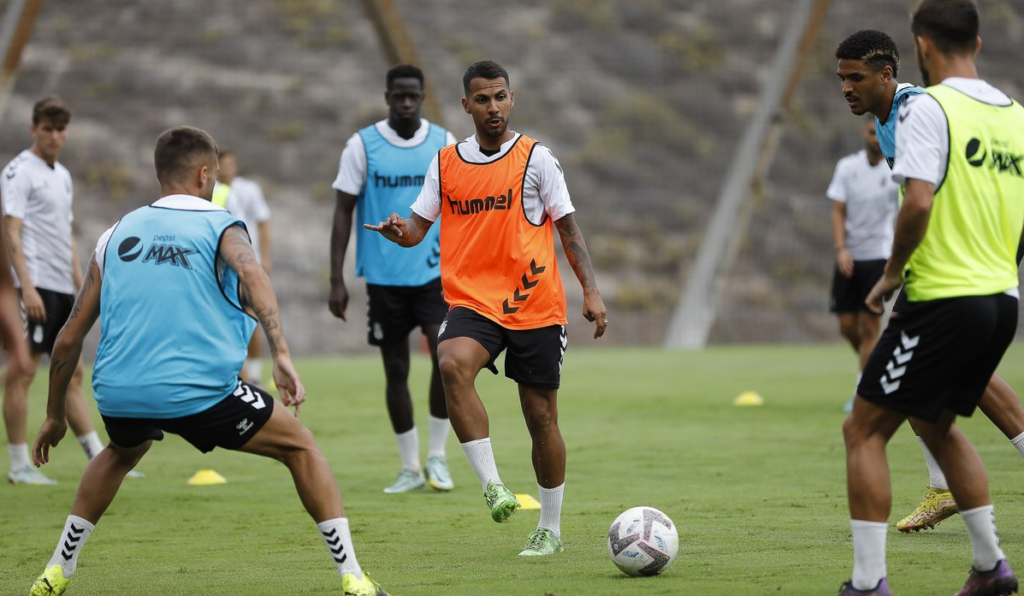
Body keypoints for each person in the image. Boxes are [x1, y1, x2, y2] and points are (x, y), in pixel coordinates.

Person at [27, 126, 387, 596]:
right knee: (300, 446)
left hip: (120, 393)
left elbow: (68, 337)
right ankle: (353, 577)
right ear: (203, 175)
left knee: (122, 451)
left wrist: (55, 415)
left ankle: (57, 569)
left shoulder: (114, 233)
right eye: (215, 176)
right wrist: (280, 352)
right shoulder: (220, 223)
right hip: (199, 393)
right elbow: (254, 273)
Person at [365, 60, 608, 557]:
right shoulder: (445, 162)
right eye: (483, 99)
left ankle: (550, 528)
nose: (493, 107)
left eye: (500, 97)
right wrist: (399, 232)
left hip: (535, 303)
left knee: (540, 417)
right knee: (451, 361)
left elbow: (568, 228)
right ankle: (493, 485)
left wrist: (593, 291)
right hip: (474, 301)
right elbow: (416, 229)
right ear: (466, 105)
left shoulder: (537, 158)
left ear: (511, 99)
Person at [839, 1, 1024, 594]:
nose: (846, 88)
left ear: (917, 48)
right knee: (932, 420)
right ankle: (990, 566)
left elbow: (918, 202)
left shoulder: (927, 107)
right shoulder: (1015, 117)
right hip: (999, 294)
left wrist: (891, 275)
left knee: (863, 430)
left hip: (943, 291)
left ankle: (868, 584)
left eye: (854, 77)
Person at [329, 64, 458, 494]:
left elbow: (461, 209)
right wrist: (337, 278)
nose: (405, 102)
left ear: (422, 96)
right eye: (398, 95)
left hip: (434, 274)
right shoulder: (361, 146)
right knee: (395, 369)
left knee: (445, 360)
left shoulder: (444, 144)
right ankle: (409, 467)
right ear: (387, 96)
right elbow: (343, 210)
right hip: (384, 277)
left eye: (413, 96)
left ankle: (438, 459)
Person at [0, 96, 109, 485]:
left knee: (72, 373)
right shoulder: (18, 173)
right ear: (34, 129)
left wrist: (81, 284)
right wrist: (25, 288)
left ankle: (99, 458)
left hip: (62, 286)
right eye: (47, 128)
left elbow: (64, 233)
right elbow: (10, 232)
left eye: (61, 129)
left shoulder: (61, 175)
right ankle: (18, 466)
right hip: (34, 285)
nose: (54, 136)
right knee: (23, 371)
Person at [827, 119, 898, 411]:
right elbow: (838, 211)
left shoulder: (897, 170)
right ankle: (876, 368)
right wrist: (841, 248)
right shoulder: (847, 167)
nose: (876, 139)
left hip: (878, 256)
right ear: (864, 133)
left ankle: (861, 391)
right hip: (849, 257)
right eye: (871, 133)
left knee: (870, 326)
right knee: (846, 326)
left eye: (880, 134)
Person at [213, 149, 272, 385]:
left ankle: (254, 374)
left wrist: (265, 258)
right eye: (222, 164)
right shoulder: (213, 192)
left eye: (231, 164)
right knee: (228, 317)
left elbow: (262, 222)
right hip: (221, 268)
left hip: (248, 264)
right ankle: (235, 374)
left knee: (250, 315)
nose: (227, 168)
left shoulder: (248, 190)